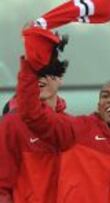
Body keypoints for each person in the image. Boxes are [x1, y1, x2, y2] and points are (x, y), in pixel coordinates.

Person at [16, 26, 110, 202]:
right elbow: (32, 114)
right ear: (99, 105)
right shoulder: (77, 129)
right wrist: (31, 66)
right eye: (105, 96)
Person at [0, 64, 66, 202]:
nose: (41, 78)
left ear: (60, 78)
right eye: (35, 72)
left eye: (48, 72)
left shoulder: (71, 125)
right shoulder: (11, 124)